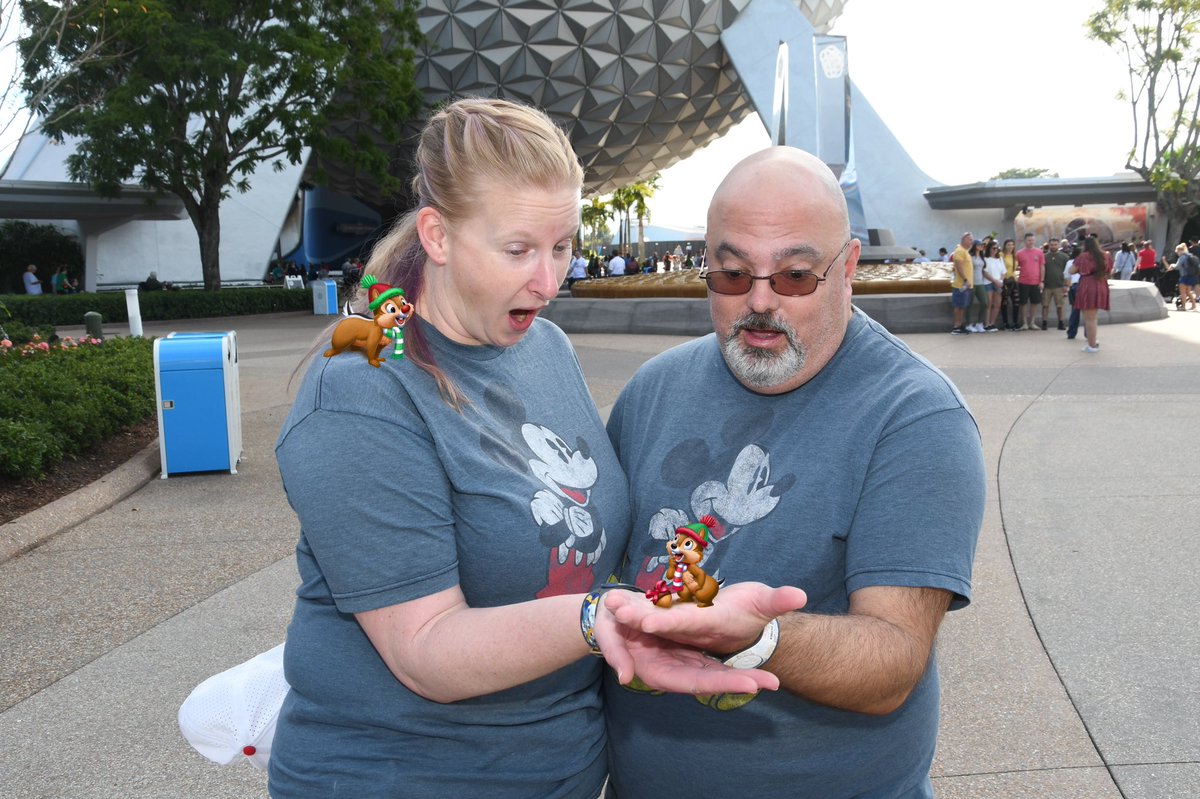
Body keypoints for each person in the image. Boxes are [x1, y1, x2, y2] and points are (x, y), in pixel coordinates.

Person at [268, 98, 773, 799]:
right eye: (518, 250)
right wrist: (602, 617)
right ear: (437, 236)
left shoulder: (545, 346)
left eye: (562, 245)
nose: (549, 280)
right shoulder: (363, 389)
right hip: (400, 776)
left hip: (558, 769)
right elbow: (426, 650)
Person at [600, 147, 985, 799]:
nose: (759, 301)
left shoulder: (916, 416)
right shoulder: (651, 391)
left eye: (795, 276)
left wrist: (762, 637)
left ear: (848, 268)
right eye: (731, 273)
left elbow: (892, 661)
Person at [1069, 234, 1113, 353]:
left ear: (1085, 245)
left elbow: (1071, 271)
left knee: (1089, 318)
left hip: (1087, 285)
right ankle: (1093, 341)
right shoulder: (1105, 255)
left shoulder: (1083, 256)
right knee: (1094, 317)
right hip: (1101, 283)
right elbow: (1110, 270)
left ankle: (1091, 345)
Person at [1015, 233, 1045, 330]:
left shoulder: (1039, 252)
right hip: (1023, 281)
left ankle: (1032, 322)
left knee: (1035, 302)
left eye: (1032, 240)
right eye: (1029, 240)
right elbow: (1015, 268)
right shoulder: (1019, 253)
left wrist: (1042, 281)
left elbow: (1042, 267)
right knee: (1023, 303)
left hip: (1036, 282)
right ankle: (1024, 323)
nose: (1031, 242)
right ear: (1025, 241)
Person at [949, 232, 974, 334]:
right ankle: (956, 326)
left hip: (966, 285)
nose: (971, 242)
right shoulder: (959, 251)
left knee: (962, 306)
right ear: (964, 239)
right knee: (958, 306)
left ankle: (960, 325)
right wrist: (965, 279)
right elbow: (959, 266)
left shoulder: (965, 251)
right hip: (960, 284)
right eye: (969, 240)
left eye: (971, 240)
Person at [1042, 237, 1069, 330]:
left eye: (1055, 244)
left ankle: (1061, 322)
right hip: (1047, 285)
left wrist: (1066, 284)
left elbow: (1068, 271)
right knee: (1045, 305)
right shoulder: (1044, 256)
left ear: (1058, 245)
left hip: (1059, 285)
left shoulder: (1064, 257)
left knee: (1060, 306)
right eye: (1051, 245)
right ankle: (1044, 322)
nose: (1053, 246)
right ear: (1049, 245)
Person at [982, 240, 1006, 331]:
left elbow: (1003, 272)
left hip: (998, 283)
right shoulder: (985, 259)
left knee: (997, 304)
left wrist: (1000, 281)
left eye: (997, 248)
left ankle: (992, 323)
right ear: (989, 249)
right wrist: (995, 281)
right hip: (988, 283)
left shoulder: (1000, 259)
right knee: (988, 304)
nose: (996, 250)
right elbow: (985, 273)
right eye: (994, 248)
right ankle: (987, 324)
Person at [1172, 242, 1198, 311]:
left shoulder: (1182, 257)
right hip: (1191, 276)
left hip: (1184, 276)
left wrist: (1172, 265)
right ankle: (1194, 306)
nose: (1177, 253)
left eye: (1177, 252)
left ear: (1180, 250)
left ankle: (1183, 306)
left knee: (1183, 292)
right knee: (1188, 292)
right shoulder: (1189, 255)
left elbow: (1177, 266)